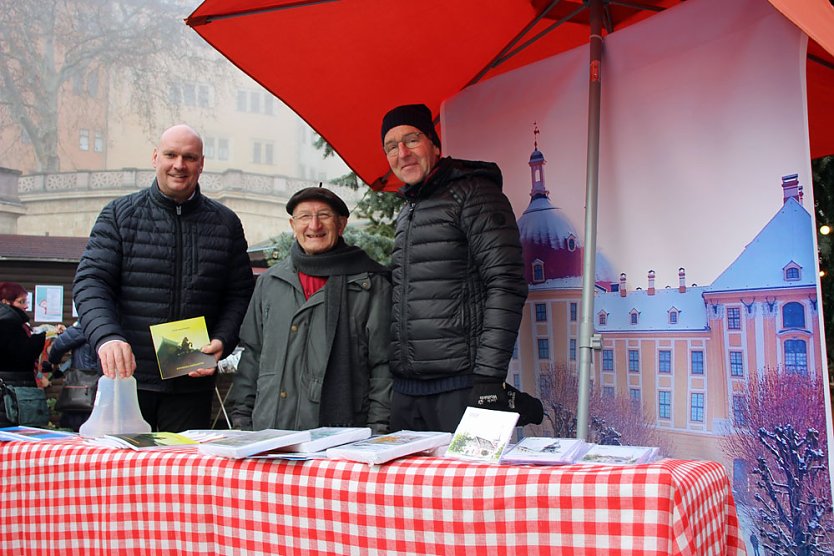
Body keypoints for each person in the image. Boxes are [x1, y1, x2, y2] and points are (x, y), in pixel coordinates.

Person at [73, 124, 255, 432]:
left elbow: (239, 295)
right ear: (155, 157)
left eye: (189, 157)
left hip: (190, 384)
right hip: (126, 381)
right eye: (171, 154)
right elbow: (91, 283)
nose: (179, 165)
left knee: (180, 477)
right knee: (123, 476)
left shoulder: (225, 223)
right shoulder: (119, 215)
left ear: (202, 163)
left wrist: (223, 338)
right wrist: (108, 337)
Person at [380, 103, 542, 432]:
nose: (402, 153)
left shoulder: (474, 194)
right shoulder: (408, 211)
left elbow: (506, 284)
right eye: (391, 146)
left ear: (435, 145)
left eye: (412, 139)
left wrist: (487, 380)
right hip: (408, 392)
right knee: (410, 486)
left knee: (469, 485)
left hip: (465, 388)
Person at [230, 187, 392, 433]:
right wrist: (242, 419)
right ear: (293, 225)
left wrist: (377, 429)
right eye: (304, 216)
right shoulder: (270, 282)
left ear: (341, 224)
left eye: (324, 215)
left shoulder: (369, 284)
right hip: (269, 429)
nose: (314, 225)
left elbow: (383, 365)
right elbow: (252, 355)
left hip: (338, 437)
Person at [0, 282, 47, 426]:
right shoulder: (9, 324)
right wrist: (39, 339)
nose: (26, 306)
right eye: (21, 302)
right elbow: (21, 356)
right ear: (6, 302)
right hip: (14, 389)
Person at [45, 319, 99, 431]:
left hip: (83, 385)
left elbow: (59, 346)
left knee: (78, 426)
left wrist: (53, 361)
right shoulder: (116, 321)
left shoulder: (88, 321)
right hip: (107, 383)